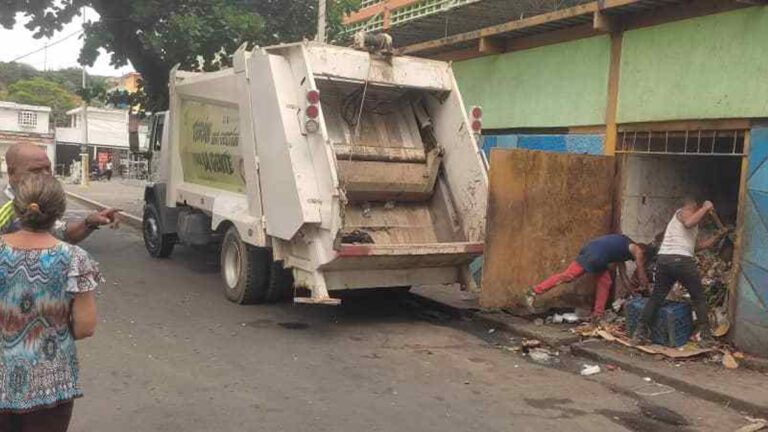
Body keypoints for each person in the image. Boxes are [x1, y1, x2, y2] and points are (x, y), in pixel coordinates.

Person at [0, 173, 101, 431]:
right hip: (50, 384)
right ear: (59, 212)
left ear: (18, 208)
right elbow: (85, 326)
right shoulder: (75, 258)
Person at [631, 197, 729, 348]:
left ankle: (639, 333)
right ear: (692, 206)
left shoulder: (683, 228)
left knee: (657, 297)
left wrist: (718, 236)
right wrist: (705, 208)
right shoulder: (682, 212)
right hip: (681, 261)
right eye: (696, 208)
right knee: (699, 298)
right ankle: (706, 337)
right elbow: (689, 222)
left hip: (664, 261)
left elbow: (697, 247)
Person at [0, 144, 119, 241]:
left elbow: (60, 233)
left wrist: (89, 223)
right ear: (11, 173)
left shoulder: (43, 200)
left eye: (48, 169)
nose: (46, 175)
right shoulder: (5, 206)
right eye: (36, 170)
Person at [526, 234, 650, 318]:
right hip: (598, 255)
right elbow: (640, 269)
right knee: (604, 282)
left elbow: (623, 276)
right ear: (643, 252)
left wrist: (633, 293)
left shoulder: (623, 250)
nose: (639, 260)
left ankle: (534, 291)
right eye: (643, 259)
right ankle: (598, 315)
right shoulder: (638, 250)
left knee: (568, 276)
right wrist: (645, 287)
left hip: (590, 248)